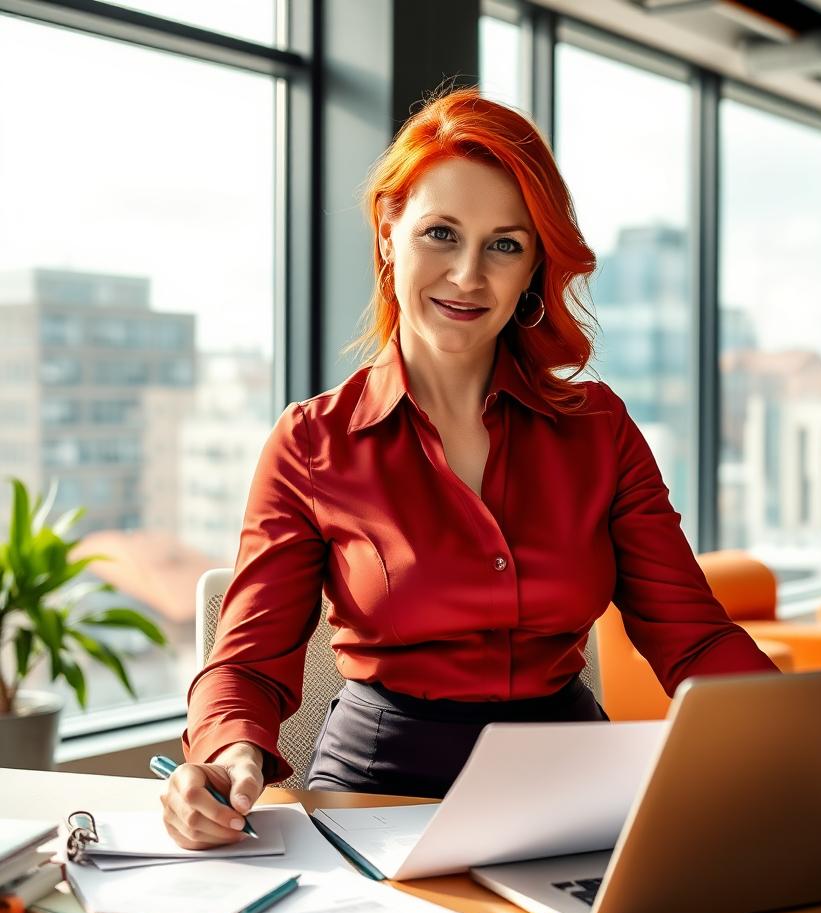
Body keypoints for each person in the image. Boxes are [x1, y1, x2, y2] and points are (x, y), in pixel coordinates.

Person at [160, 86, 778, 850]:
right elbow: (247, 664)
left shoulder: (599, 429)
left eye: (504, 245)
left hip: (574, 794)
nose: (467, 276)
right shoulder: (312, 442)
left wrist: (798, 742)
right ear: (390, 233)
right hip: (377, 800)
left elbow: (692, 638)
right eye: (441, 234)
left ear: (533, 269)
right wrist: (224, 756)